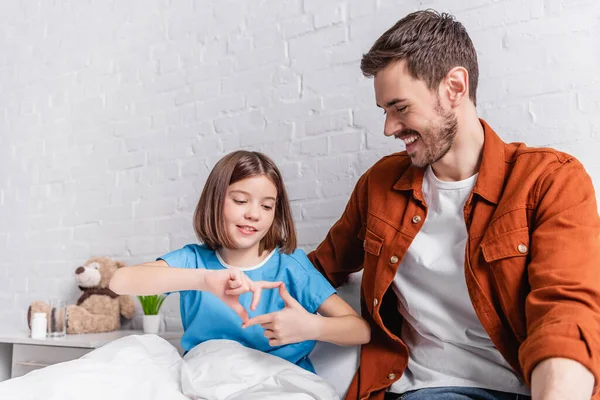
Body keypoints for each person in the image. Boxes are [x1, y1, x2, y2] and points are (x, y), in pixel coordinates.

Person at [307, 9, 600, 400]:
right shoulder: (380, 185)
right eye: (385, 112)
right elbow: (317, 270)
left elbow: (565, 314)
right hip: (426, 390)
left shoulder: (549, 181)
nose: (389, 128)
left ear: (455, 87)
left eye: (401, 108)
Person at [109, 150, 370, 374]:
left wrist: (313, 327)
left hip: (278, 382)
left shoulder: (291, 266)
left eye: (267, 206)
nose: (254, 214)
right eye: (240, 201)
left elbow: (360, 331)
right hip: (205, 379)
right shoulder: (193, 260)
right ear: (215, 202)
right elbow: (120, 281)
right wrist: (203, 280)